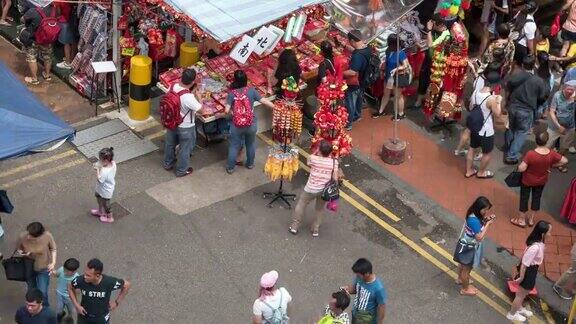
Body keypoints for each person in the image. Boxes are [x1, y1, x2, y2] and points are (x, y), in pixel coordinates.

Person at [511, 131, 568, 227]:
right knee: (536, 198)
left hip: (527, 180)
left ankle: (521, 220)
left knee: (524, 198)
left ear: (536, 141)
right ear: (546, 141)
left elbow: (522, 168)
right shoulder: (551, 153)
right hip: (541, 180)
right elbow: (565, 160)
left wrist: (520, 166)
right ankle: (531, 219)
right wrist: (552, 165)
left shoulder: (530, 154)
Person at [224, 70, 275, 174]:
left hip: (236, 125)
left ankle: (230, 168)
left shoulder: (231, 94)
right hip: (251, 123)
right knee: (250, 144)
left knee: (234, 146)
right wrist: (276, 107)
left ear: (235, 80)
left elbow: (226, 110)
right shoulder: (252, 91)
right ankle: (250, 164)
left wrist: (233, 113)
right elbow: (264, 101)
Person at [504, 54, 549, 164]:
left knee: (511, 128)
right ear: (534, 66)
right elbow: (543, 97)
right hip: (526, 110)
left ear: (523, 65)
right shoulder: (538, 81)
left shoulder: (514, 76)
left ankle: (509, 147)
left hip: (513, 106)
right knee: (521, 132)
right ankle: (511, 155)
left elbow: (507, 88)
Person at [289, 140, 339, 237]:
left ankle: (294, 226)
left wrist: (315, 153)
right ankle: (315, 229)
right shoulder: (334, 162)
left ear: (319, 150)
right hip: (324, 191)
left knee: (302, 204)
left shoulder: (313, 158)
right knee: (319, 209)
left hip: (310, 188)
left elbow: (308, 162)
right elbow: (335, 178)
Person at [507, 220, 551, 321]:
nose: (550, 234)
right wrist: (521, 277)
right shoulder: (535, 247)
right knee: (520, 294)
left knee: (523, 293)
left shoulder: (538, 243)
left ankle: (519, 308)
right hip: (528, 271)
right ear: (543, 234)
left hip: (532, 270)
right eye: (549, 232)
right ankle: (512, 314)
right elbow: (524, 264)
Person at [163, 68, 202, 177]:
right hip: (185, 126)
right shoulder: (189, 98)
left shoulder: (172, 86)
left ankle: (167, 164)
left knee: (170, 144)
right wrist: (199, 98)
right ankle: (181, 170)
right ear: (193, 82)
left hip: (171, 121)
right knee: (185, 149)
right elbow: (201, 110)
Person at [69, 258, 131, 324]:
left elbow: (127, 285)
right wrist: (76, 305)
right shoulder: (81, 280)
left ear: (97, 276)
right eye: (85, 273)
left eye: (88, 275)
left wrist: (116, 302)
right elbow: (70, 287)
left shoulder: (109, 282)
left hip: (101, 318)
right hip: (84, 316)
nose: (85, 277)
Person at [465, 71, 503, 179]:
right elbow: (498, 114)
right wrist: (499, 101)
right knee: (487, 153)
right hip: (486, 130)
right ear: (495, 85)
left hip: (475, 126)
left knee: (472, 148)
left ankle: (469, 171)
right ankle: (481, 172)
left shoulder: (476, 92)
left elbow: (471, 106)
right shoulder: (491, 99)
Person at [454, 197, 495, 296]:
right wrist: (488, 224)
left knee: (462, 265)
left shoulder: (472, 214)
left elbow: (476, 227)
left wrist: (485, 220)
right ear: (479, 207)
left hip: (465, 244)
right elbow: (479, 237)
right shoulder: (474, 221)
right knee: (466, 270)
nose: (485, 212)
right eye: (484, 209)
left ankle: (460, 279)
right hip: (470, 248)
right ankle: (465, 288)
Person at [414, 14, 450, 109]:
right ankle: (419, 99)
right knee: (423, 79)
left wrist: (429, 30)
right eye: (439, 24)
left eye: (443, 24)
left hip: (439, 63)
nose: (442, 26)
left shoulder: (446, 34)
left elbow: (430, 45)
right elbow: (427, 43)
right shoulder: (433, 32)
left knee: (434, 83)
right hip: (428, 60)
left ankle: (431, 102)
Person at [18, 222, 57, 307]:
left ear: (38, 235)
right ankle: (33, 308)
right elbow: (20, 248)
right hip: (29, 266)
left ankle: (45, 309)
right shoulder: (23, 236)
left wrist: (53, 263)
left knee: (43, 292)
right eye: (28, 233)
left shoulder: (47, 236)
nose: (28, 236)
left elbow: (53, 249)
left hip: (43, 267)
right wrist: (22, 252)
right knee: (31, 291)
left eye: (31, 235)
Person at [372, 33, 409, 120]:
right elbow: (387, 61)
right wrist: (383, 69)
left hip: (397, 78)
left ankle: (401, 113)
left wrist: (396, 69)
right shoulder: (389, 50)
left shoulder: (401, 53)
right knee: (386, 94)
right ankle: (381, 111)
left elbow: (406, 65)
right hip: (389, 77)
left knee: (398, 96)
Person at [341, 258, 387, 324]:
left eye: (358, 275)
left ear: (367, 273)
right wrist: (346, 290)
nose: (357, 276)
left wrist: (380, 322)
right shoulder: (359, 278)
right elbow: (355, 289)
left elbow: (382, 307)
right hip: (355, 313)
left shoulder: (378, 289)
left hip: (367, 319)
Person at [21, 2, 57, 85]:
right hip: (47, 38)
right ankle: (47, 75)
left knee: (32, 57)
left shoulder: (33, 11)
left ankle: (34, 79)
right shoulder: (53, 9)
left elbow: (22, 20)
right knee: (47, 57)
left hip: (34, 38)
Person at [343, 29, 372, 130]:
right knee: (359, 98)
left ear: (352, 41)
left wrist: (339, 74)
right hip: (364, 80)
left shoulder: (357, 56)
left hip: (355, 83)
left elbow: (352, 72)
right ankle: (357, 115)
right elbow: (355, 50)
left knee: (350, 102)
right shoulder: (366, 48)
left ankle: (348, 123)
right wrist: (345, 46)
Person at [546, 80, 576, 170]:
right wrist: (559, 126)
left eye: (572, 90)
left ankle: (558, 163)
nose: (570, 92)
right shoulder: (557, 95)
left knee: (564, 147)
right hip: (555, 126)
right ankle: (543, 163)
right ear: (564, 88)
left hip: (570, 126)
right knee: (547, 145)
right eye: (568, 89)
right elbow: (552, 111)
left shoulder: (574, 97)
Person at [90, 147, 116, 223]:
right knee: (98, 196)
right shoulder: (113, 163)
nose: (99, 161)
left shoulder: (104, 171)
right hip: (101, 188)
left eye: (101, 159)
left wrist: (97, 169)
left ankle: (110, 217)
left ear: (106, 160)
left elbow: (100, 180)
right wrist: (99, 165)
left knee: (106, 204)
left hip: (106, 190)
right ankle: (100, 211)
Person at [512, 1, 538, 67]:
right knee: (517, 66)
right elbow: (530, 41)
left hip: (513, 41)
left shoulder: (520, 13)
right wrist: (532, 54)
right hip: (521, 47)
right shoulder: (531, 24)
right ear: (535, 10)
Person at [54, 2, 77, 70]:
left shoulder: (58, 1)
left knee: (66, 42)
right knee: (74, 41)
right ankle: (71, 60)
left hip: (65, 21)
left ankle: (67, 63)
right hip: (74, 20)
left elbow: (58, 13)